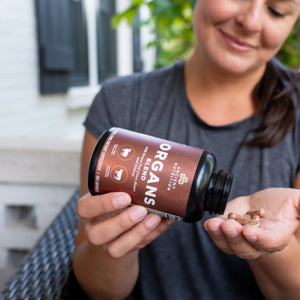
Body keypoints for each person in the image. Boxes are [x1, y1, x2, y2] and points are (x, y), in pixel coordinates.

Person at [72, 0, 300, 299]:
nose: (251, 21)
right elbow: (102, 292)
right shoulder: (122, 101)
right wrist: (109, 244)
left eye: (277, 10)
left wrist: (273, 248)